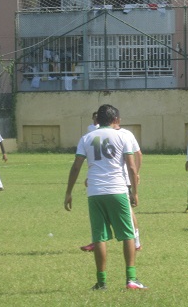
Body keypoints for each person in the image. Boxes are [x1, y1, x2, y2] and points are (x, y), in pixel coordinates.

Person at [65, 104, 147, 291]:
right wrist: (134, 192)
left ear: (97, 120)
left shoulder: (86, 138)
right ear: (115, 119)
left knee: (99, 237)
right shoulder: (121, 136)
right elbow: (131, 167)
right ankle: (131, 279)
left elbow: (76, 166)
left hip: (95, 192)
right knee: (127, 234)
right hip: (117, 189)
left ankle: (101, 283)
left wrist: (68, 192)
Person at [81, 116, 143, 253]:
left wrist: (136, 174)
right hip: (107, 181)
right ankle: (100, 240)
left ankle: (135, 241)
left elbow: (138, 154)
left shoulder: (126, 134)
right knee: (123, 210)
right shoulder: (99, 134)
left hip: (121, 179)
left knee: (127, 211)